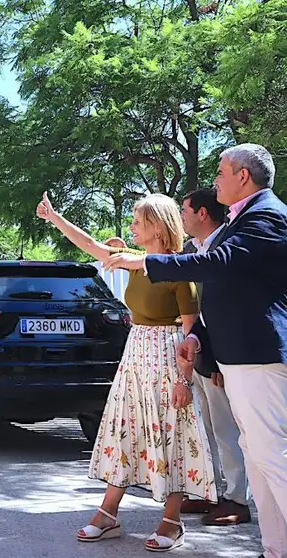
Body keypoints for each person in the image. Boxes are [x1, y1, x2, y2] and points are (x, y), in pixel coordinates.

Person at [106, 143, 287, 558]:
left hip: (258, 356)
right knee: (257, 455)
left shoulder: (267, 217)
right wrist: (199, 337)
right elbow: (232, 291)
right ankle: (276, 548)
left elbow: (218, 264)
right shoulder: (246, 219)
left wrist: (141, 262)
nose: (216, 180)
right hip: (240, 354)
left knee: (272, 453)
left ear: (244, 176)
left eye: (221, 172)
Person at [37, 191, 216, 551]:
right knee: (124, 432)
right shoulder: (136, 262)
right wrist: (54, 218)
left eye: (138, 221)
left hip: (168, 359)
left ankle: (172, 521)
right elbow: (91, 246)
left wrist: (183, 379)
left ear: (156, 226)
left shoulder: (181, 271)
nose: (132, 227)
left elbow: (191, 331)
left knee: (172, 436)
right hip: (135, 357)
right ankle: (108, 514)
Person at [177, 188, 252, 526]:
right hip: (199, 352)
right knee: (207, 428)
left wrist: (221, 361)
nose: (182, 217)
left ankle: (237, 498)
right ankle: (212, 493)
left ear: (202, 214)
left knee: (226, 430)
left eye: (185, 210)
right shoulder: (195, 249)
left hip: (221, 356)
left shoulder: (227, 247)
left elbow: (230, 310)